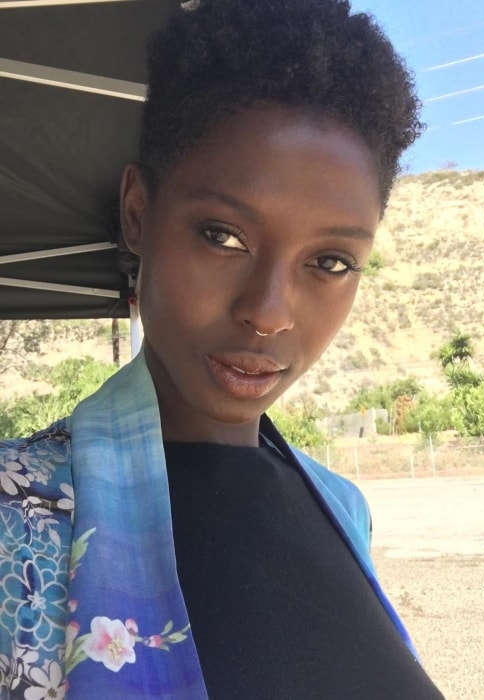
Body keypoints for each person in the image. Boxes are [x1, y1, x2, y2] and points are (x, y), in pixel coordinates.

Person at [0, 0, 445, 698]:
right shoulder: (15, 518)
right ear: (139, 213)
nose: (267, 314)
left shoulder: (341, 505)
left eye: (329, 262)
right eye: (223, 236)